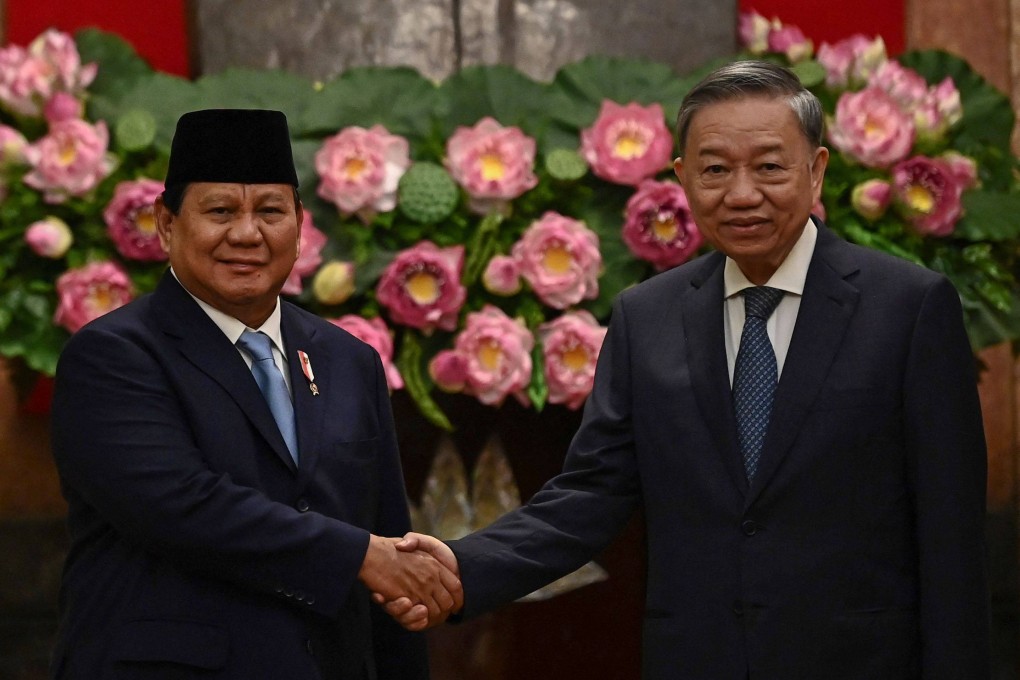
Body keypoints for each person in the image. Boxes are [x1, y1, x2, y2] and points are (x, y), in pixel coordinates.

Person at [385, 61, 991, 678]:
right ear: (682, 178)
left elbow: (951, 535)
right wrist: (461, 568)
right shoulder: (647, 316)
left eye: (770, 167)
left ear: (817, 171)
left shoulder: (908, 308)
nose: (742, 193)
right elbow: (592, 493)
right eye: (716, 170)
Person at [49, 108, 461, 679]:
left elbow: (389, 546)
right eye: (220, 211)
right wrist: (362, 557)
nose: (247, 234)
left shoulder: (349, 360)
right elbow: (185, 506)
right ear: (166, 224)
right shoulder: (115, 355)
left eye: (270, 211)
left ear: (300, 223)